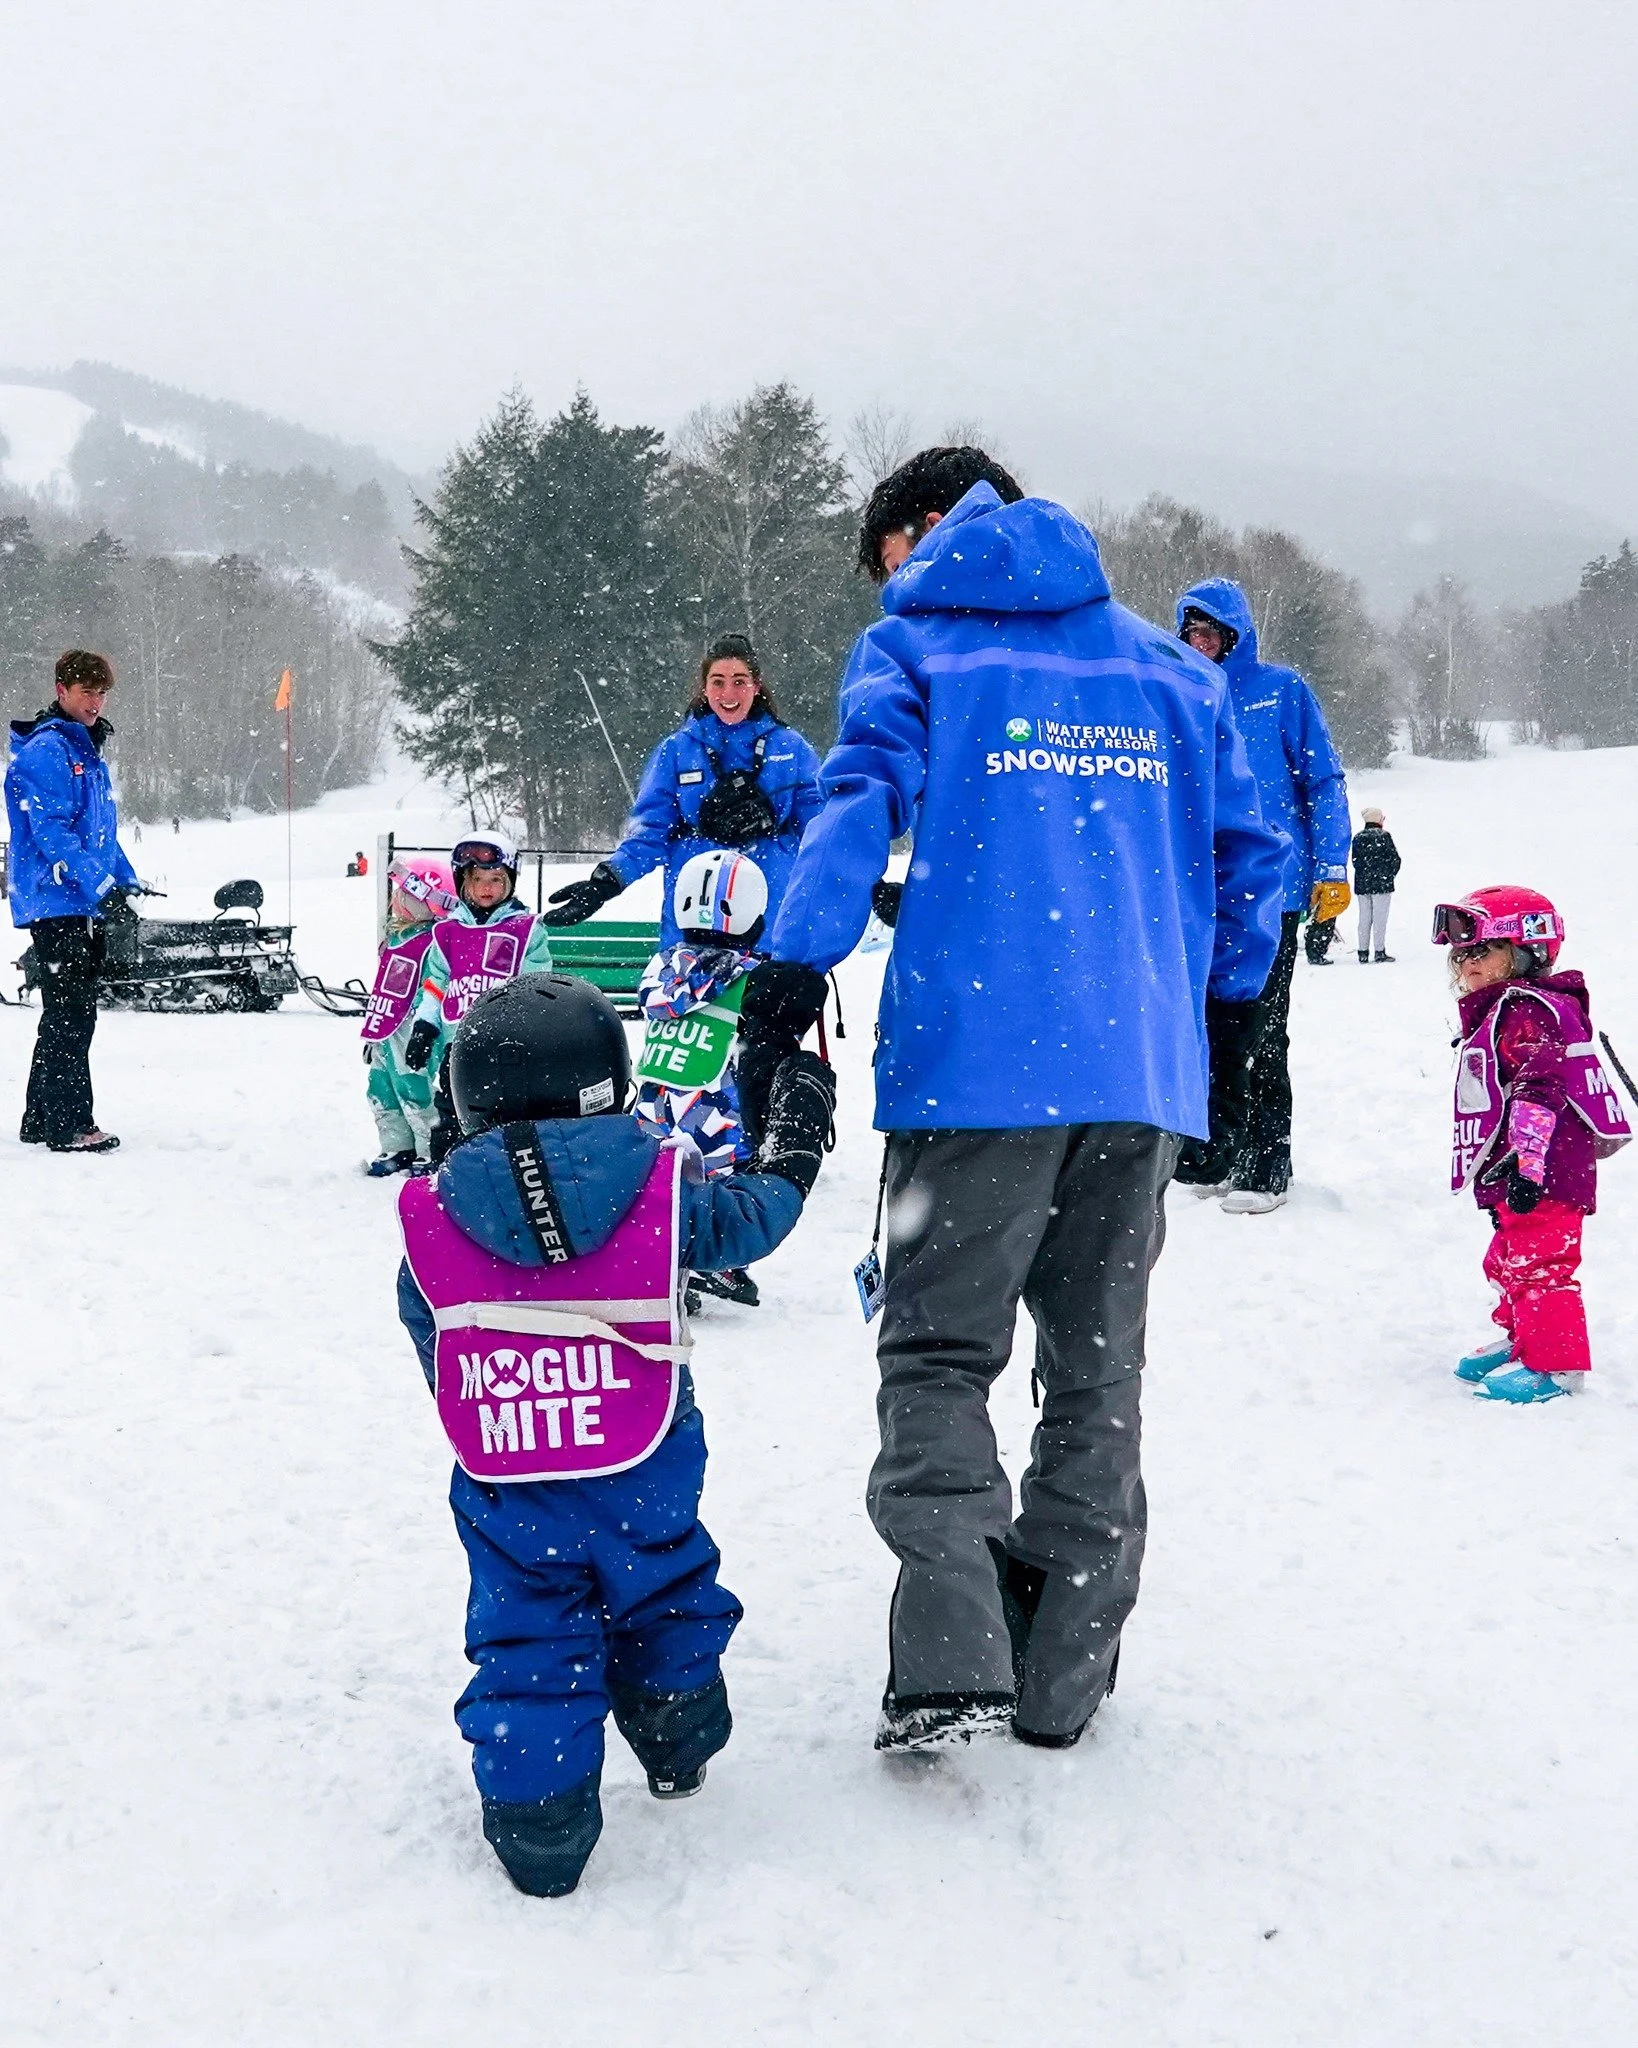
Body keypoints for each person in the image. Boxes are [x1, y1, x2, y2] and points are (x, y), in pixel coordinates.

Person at [736, 447, 1286, 1753]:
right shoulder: (1169, 669)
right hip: (1137, 1075)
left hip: (974, 1066)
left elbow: (856, 798)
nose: (895, 587)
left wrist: (790, 965)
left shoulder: (920, 647)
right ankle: (1058, 1683)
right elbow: (1251, 850)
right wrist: (1202, 991)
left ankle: (950, 1654)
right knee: (1096, 1373)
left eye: (889, 560)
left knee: (936, 1356)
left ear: (926, 528)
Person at [396, 972, 835, 1895]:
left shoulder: (437, 1217)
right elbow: (754, 1219)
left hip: (510, 1468)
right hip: (644, 1458)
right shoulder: (661, 1193)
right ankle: (678, 1748)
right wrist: (793, 1142)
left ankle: (541, 1834)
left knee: (527, 1633)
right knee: (665, 1590)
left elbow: (431, 1327)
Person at [1171, 579, 1352, 1214]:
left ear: (1236, 635)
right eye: (1191, 634)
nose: (1201, 644)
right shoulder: (1180, 694)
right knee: (1205, 1031)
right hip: (1202, 896)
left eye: (1212, 633)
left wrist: (1332, 863)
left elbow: (1323, 780)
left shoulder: (1281, 691)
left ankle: (1266, 1164)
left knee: (1264, 1031)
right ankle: (1216, 1149)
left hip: (1274, 892)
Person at [1437, 886, 1629, 1403]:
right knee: (1507, 1258)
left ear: (1526, 952)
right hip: (1517, 1165)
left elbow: (1537, 1089)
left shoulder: (1528, 1012)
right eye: (1462, 954)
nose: (1467, 963)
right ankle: (1525, 1338)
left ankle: (1558, 1364)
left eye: (1482, 952)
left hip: (1543, 1165)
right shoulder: (1503, 1008)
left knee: (1540, 1264)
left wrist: (1527, 1162)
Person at [542, 635, 823, 947]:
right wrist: (607, 881)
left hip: (769, 921)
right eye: (718, 681)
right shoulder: (676, 751)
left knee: (763, 996)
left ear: (756, 686)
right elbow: (651, 832)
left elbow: (820, 828)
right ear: (704, 687)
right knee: (688, 995)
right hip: (692, 922)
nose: (728, 693)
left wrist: (865, 881)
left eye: (739, 681)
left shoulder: (791, 747)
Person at [5, 650, 143, 1153]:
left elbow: (97, 832)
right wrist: (100, 887)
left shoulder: (83, 751)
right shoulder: (48, 752)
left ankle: (40, 1119)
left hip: (73, 897)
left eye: (101, 693)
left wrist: (125, 879)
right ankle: (68, 1125)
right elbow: (52, 833)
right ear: (61, 691)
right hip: (55, 898)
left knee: (67, 1012)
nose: (96, 701)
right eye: (86, 692)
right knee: (72, 1013)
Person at [633, 848, 769, 1310]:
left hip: (655, 1097)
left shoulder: (662, 966)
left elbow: (661, 1002)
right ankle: (716, 1264)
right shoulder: (748, 975)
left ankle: (659, 1255)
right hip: (714, 1100)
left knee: (655, 1175)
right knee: (716, 1174)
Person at [401, 833, 556, 1160]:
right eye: (477, 879)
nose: (487, 887)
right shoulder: (447, 933)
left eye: (496, 879)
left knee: (506, 1117)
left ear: (510, 882)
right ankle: (450, 1173)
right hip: (457, 1045)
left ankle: (508, 1170)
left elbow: (536, 983)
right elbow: (436, 983)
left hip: (509, 1046)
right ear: (462, 883)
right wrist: (425, 1026)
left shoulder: (526, 930)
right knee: (452, 1113)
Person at [361, 854, 459, 1175]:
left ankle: (429, 1147)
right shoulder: (395, 940)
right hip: (388, 1027)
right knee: (380, 1084)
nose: (395, 900)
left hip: (414, 1028)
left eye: (404, 894)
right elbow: (383, 988)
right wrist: (373, 1032)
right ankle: (397, 1144)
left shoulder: (434, 943)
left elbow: (436, 987)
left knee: (413, 1084)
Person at [1351, 806, 1401, 962]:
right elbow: (1395, 859)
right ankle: (1379, 951)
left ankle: (1363, 952)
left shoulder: (1358, 837)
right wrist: (1388, 875)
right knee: (1380, 919)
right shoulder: (1384, 836)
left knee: (1364, 918)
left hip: (1363, 885)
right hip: (1382, 884)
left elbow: (1355, 861)